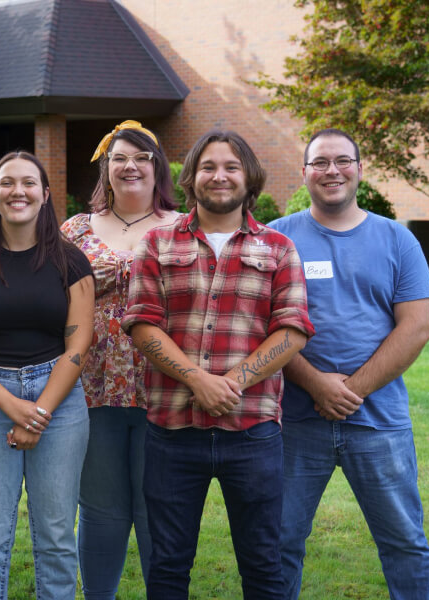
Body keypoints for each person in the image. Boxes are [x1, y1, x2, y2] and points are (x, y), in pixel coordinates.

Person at [122, 130, 315, 599]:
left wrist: (231, 382)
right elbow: (142, 324)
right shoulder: (157, 244)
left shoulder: (278, 248)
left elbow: (292, 329)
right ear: (191, 177)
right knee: (167, 566)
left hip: (253, 433)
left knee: (264, 566)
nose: (220, 176)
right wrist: (196, 380)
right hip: (172, 432)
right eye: (208, 166)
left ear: (249, 177)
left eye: (231, 166)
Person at [267, 128, 429, 599]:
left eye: (342, 161)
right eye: (319, 162)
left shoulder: (397, 240)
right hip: (294, 422)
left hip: (379, 422)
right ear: (304, 173)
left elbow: (416, 327)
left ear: (360, 170)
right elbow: (262, 326)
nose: (331, 171)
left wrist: (350, 390)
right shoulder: (278, 238)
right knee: (279, 542)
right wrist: (317, 384)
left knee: (404, 541)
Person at [0, 151, 94, 599]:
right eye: (7, 183)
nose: (18, 192)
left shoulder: (72, 262)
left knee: (56, 537)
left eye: (29, 183)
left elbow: (79, 345)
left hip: (59, 401)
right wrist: (13, 407)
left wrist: (40, 410)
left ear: (45, 195)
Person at [61, 120, 178, 599]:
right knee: (102, 509)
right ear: (105, 170)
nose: (130, 166)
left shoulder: (184, 228)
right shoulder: (75, 231)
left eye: (142, 157)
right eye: (119, 158)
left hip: (167, 388)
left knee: (158, 509)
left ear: (157, 168)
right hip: (92, 390)